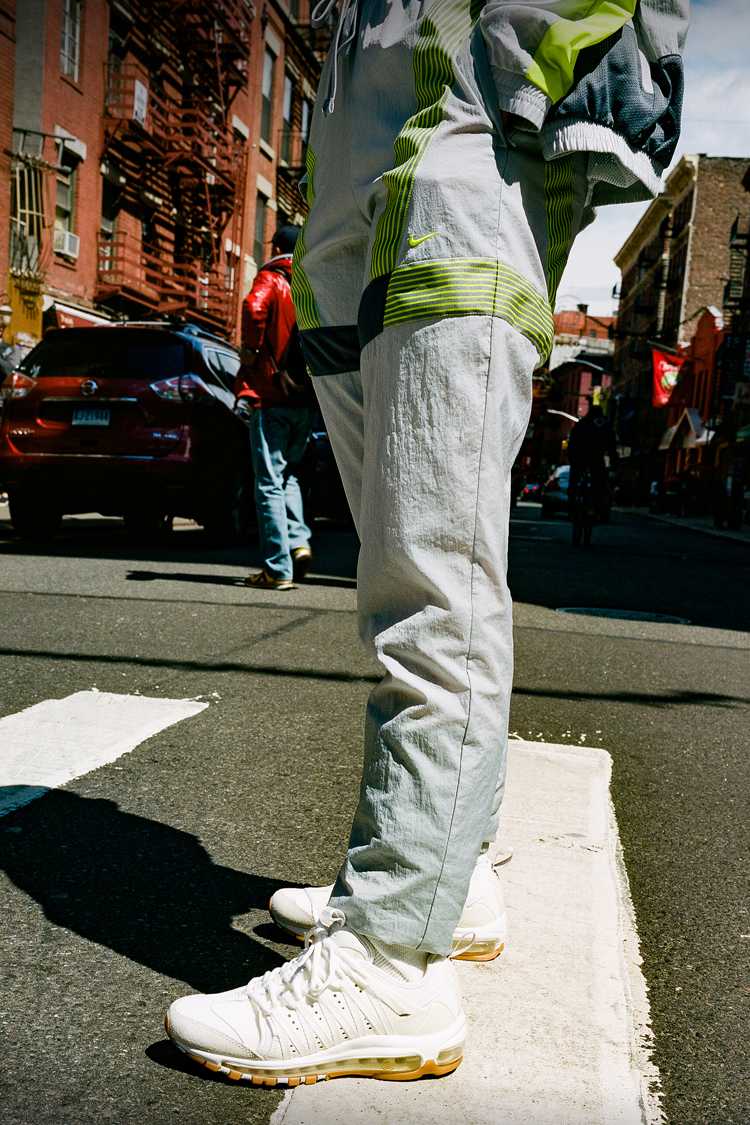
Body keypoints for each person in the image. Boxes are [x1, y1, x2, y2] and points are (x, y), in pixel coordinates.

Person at [167, 0, 689, 1085]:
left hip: (463, 173)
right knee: (399, 576)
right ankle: (450, 882)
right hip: (359, 210)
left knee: (430, 591)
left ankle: (392, 961)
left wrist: (535, 90)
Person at [236, 224, 315, 591]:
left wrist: (251, 352)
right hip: (304, 397)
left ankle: (276, 568)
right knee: (289, 476)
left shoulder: (272, 277)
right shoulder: (312, 280)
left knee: (268, 482)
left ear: (278, 247)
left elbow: (254, 307)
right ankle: (299, 543)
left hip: (271, 394)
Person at [567, 403, 618, 519]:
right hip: (596, 459)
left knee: (574, 483)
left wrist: (571, 459)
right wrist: (614, 461)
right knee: (601, 484)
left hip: (580, 459)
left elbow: (572, 443)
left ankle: (572, 507)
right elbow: (612, 446)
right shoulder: (606, 425)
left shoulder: (582, 424)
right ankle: (599, 508)